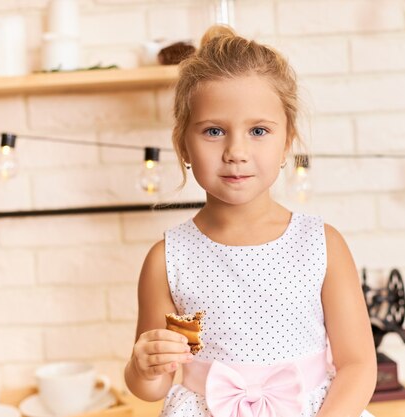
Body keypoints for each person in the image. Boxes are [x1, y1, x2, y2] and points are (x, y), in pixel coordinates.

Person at [124, 24, 377, 417]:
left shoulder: (322, 244)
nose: (236, 151)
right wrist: (143, 364)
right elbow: (154, 386)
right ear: (183, 146)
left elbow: (359, 365)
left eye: (258, 130)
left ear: (286, 142)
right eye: (213, 131)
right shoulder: (168, 259)